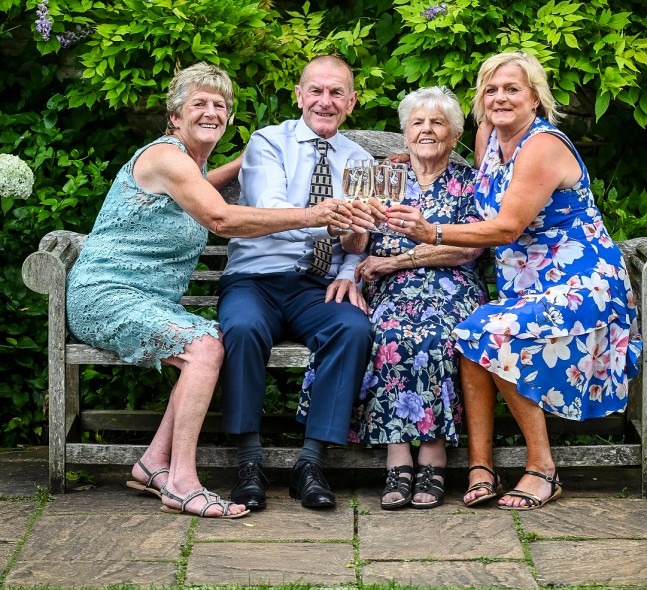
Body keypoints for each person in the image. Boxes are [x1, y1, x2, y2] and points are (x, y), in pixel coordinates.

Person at [66, 62, 353, 519]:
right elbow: (222, 219)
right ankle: (181, 481)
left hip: (150, 302)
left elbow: (210, 185)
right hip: (106, 295)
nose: (211, 111)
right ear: (174, 116)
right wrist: (314, 214)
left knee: (208, 343)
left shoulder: (192, 168)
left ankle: (153, 464)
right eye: (198, 103)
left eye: (220, 105)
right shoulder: (165, 157)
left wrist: (261, 153)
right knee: (203, 348)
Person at [377, 51, 642, 510]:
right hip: (529, 287)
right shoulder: (486, 137)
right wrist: (417, 152)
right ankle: (481, 467)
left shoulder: (543, 146)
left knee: (488, 331)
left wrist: (429, 232)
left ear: (535, 98)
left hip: (582, 283)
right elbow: (479, 191)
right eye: (492, 89)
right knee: (471, 332)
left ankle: (543, 468)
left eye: (512, 89)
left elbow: (505, 227)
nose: (501, 97)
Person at [218, 55, 374, 511]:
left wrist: (349, 269)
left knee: (353, 328)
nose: (325, 102)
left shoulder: (360, 159)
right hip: (255, 279)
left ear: (351, 102)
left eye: (337, 93)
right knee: (242, 330)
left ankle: (311, 463)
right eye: (316, 91)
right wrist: (329, 221)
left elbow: (359, 240)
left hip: (316, 285)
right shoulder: (268, 141)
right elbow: (268, 214)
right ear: (299, 95)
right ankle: (248, 463)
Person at [345, 87, 488, 510]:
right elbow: (356, 246)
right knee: (389, 330)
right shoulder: (380, 176)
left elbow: (467, 249)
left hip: (453, 285)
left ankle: (432, 456)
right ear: (405, 132)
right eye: (418, 123)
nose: (427, 130)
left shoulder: (469, 182)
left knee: (439, 333)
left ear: (455, 133)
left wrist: (393, 261)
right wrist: (356, 218)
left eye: (437, 122)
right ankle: (398, 456)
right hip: (390, 291)